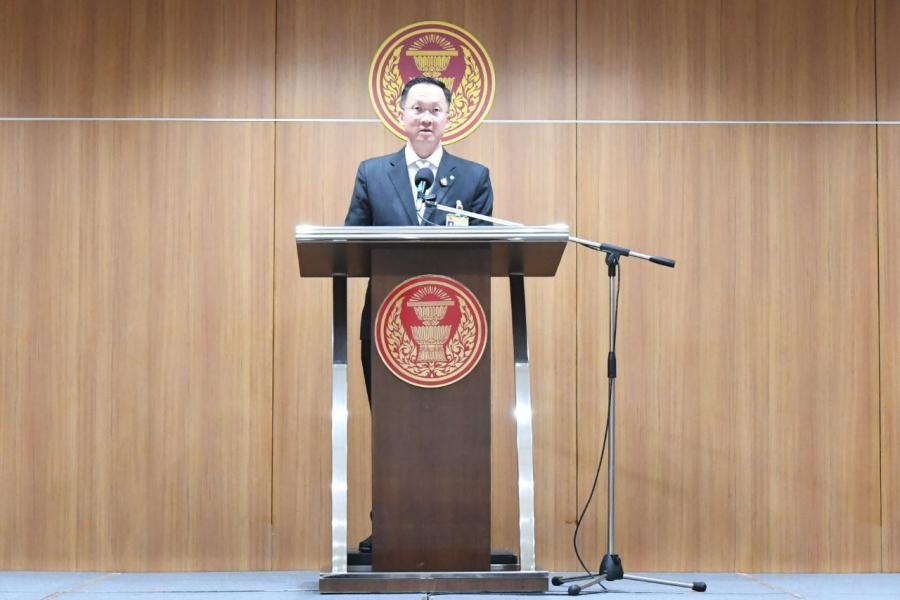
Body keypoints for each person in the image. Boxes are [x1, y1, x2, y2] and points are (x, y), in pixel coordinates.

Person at [343, 75, 494, 553]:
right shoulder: (373, 173)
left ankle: (457, 523)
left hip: (454, 330)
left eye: (435, 111)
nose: (426, 118)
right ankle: (390, 525)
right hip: (387, 324)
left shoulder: (474, 178)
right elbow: (351, 244)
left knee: (454, 427)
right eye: (418, 109)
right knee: (393, 428)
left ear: (449, 118)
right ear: (401, 115)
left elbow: (483, 250)